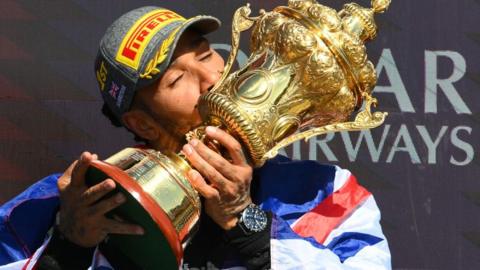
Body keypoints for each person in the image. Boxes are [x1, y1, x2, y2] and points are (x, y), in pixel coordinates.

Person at [0, 5, 391, 270]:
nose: (210, 80)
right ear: (144, 124)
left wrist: (245, 222)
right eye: (176, 79)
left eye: (206, 56)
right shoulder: (70, 204)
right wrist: (67, 245)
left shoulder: (325, 193)